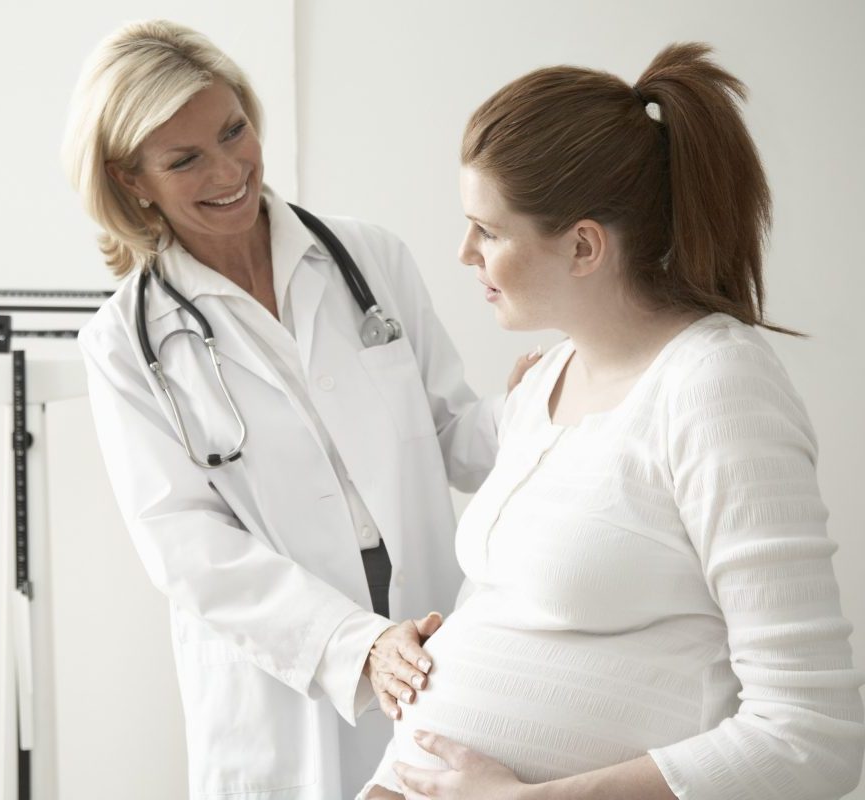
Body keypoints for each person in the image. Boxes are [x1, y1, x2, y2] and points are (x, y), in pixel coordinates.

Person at [361, 43, 865, 800]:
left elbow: (811, 735)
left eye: (488, 231)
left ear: (585, 245)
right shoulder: (546, 379)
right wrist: (429, 654)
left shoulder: (716, 389)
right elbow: (524, 608)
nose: (464, 252)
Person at [61, 20, 536, 800]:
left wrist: (536, 404)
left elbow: (456, 435)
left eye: (233, 130)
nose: (230, 170)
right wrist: (357, 645)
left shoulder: (367, 258)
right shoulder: (124, 342)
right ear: (131, 179)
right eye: (185, 160)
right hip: (284, 679)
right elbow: (186, 547)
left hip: (434, 636)